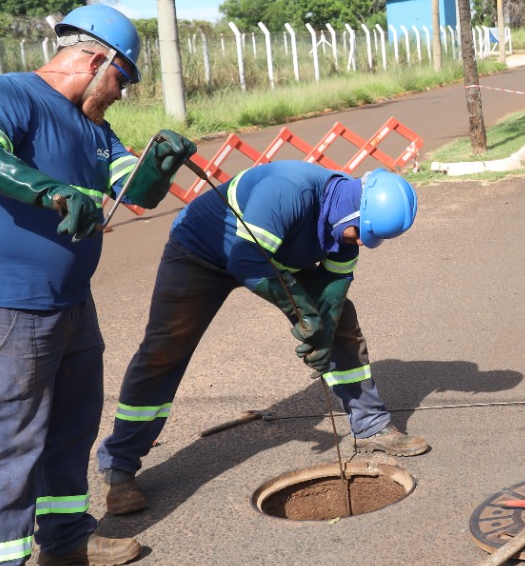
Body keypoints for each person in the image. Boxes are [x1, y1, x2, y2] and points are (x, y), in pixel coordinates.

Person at [0, 5, 198, 566]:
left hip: (69, 302)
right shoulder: (6, 94)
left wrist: (157, 165)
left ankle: (64, 534)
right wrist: (49, 190)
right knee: (6, 439)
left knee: (73, 423)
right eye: (124, 78)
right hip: (3, 302)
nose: (123, 92)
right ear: (96, 60)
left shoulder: (96, 130)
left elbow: (130, 192)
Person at [95, 160, 423, 517]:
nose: (361, 241)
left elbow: (332, 293)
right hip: (201, 252)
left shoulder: (347, 218)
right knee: (164, 350)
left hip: (276, 254)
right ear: (352, 213)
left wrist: (322, 333)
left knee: (342, 324)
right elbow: (246, 261)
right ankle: (119, 466)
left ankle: (371, 426)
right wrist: (304, 313)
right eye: (360, 232)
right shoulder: (287, 191)